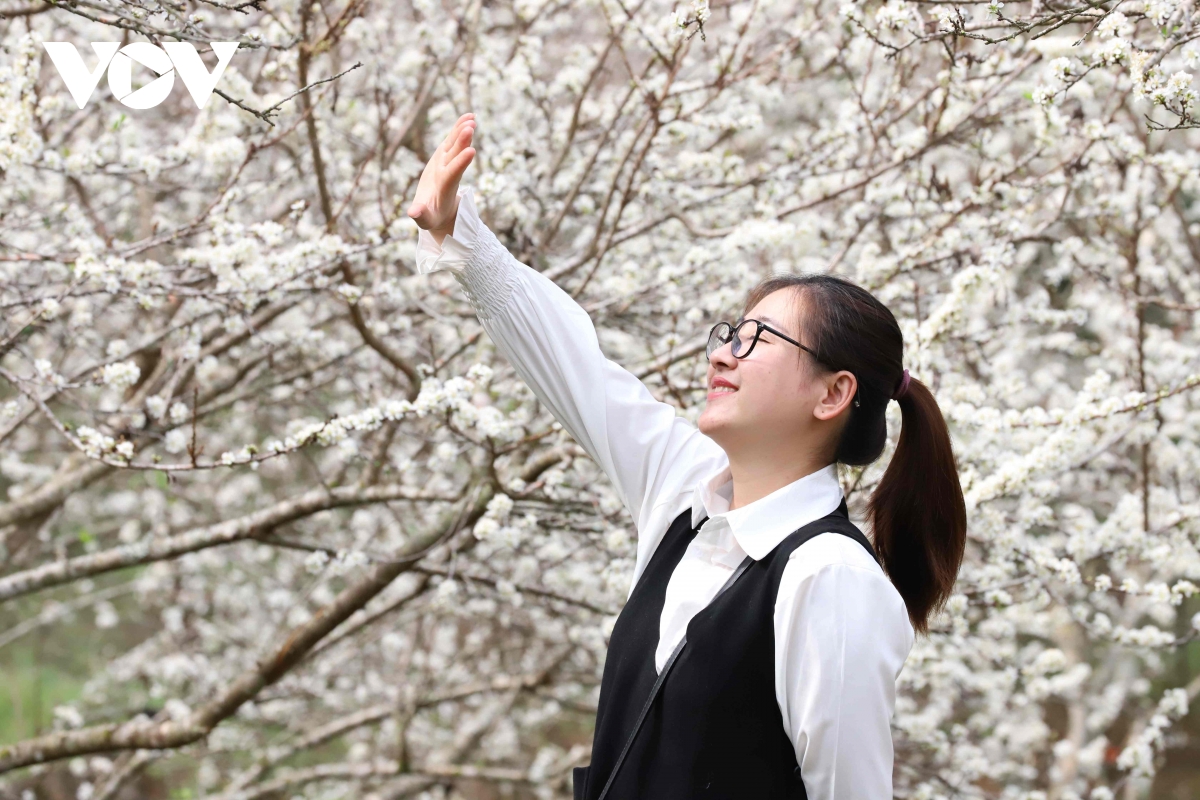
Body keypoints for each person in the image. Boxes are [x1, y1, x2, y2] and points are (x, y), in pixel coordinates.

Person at [408, 112, 967, 800]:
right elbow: (576, 367)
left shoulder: (830, 576)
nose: (720, 353)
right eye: (728, 332)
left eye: (756, 339)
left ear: (833, 394)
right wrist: (458, 229)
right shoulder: (685, 495)